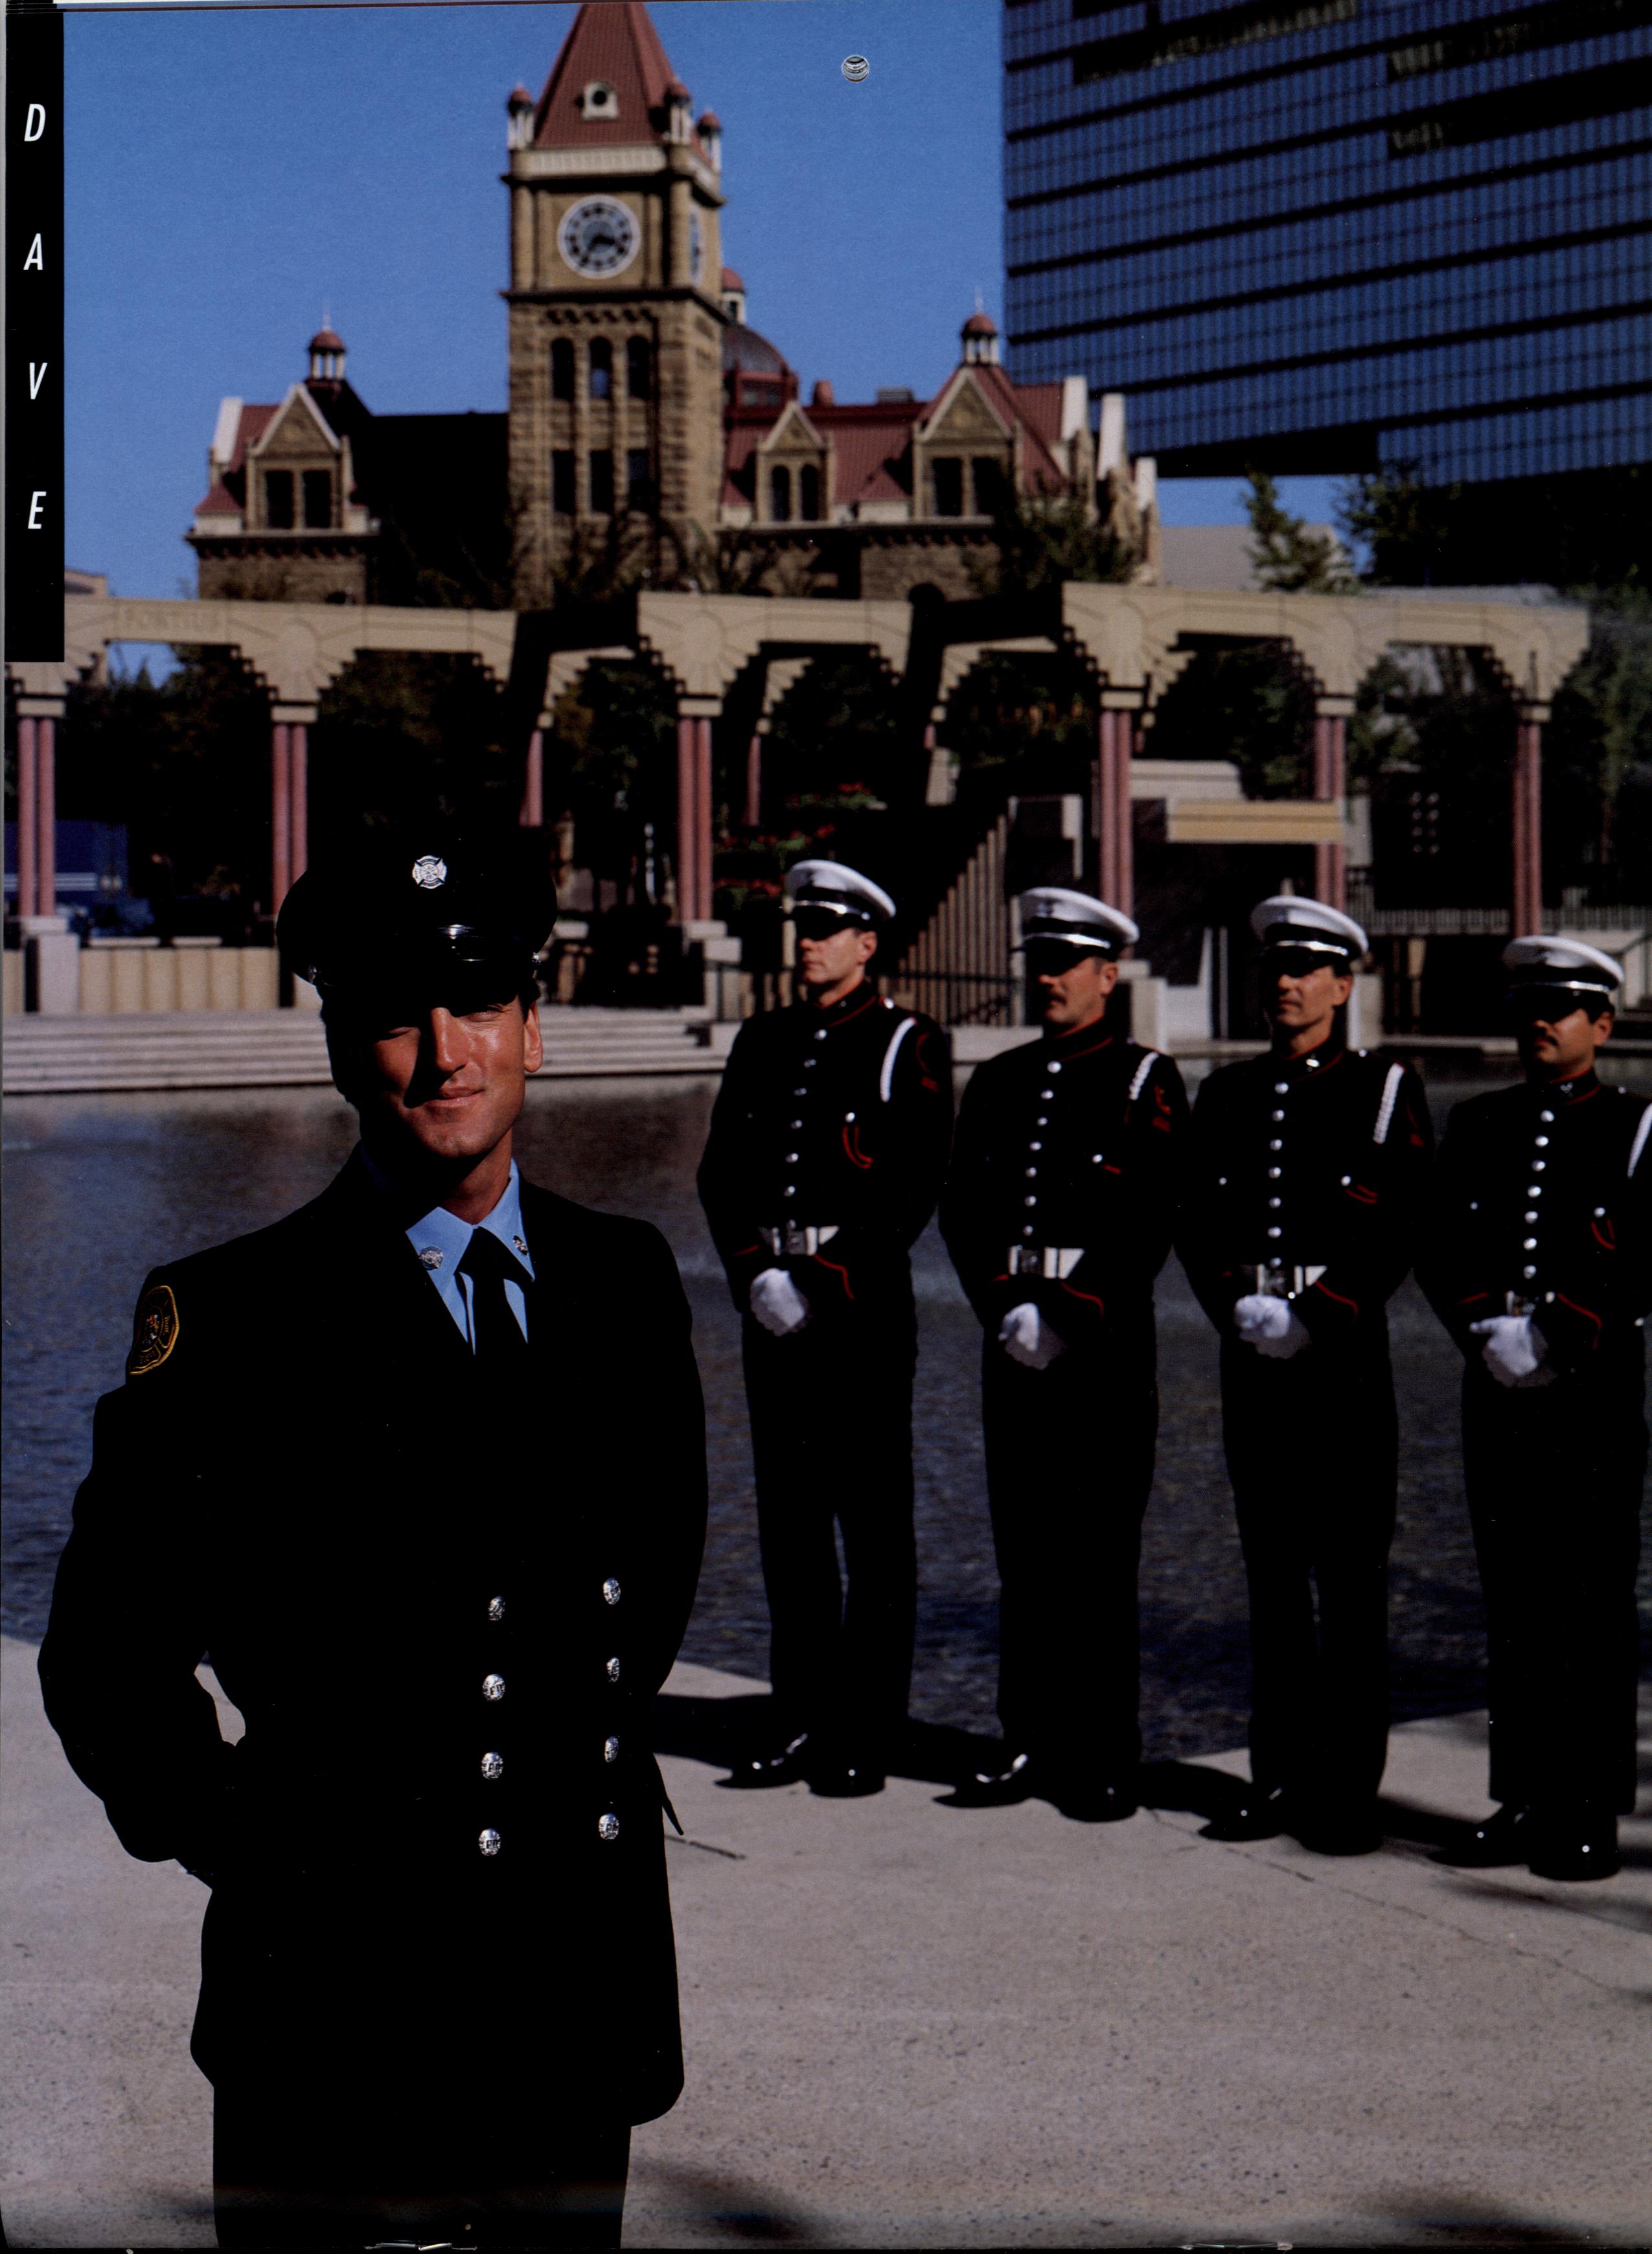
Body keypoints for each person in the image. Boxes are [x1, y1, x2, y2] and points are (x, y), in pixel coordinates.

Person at [38, 828, 707, 2249]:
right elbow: (107, 1657)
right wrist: (266, 1850)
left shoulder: (625, 1281)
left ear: (537, 1024)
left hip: (574, 1998)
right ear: (346, 1046)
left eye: (479, 1005)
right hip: (333, 2010)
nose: (445, 1053)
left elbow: (643, 1597)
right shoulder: (233, 1318)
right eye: (400, 1015)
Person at [1178, 896, 1432, 1856]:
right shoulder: (1228, 1095)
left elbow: (1400, 1224)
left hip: (1341, 1365)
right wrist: (1235, 1309)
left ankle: (1348, 1790)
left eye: (1304, 969)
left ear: (1342, 983)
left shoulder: (1380, 1088)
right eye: (1273, 969)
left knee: (1350, 1581)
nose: (1283, 984)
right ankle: (1275, 1776)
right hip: (1253, 1357)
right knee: (1272, 1580)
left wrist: (1317, 1313)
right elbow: (1195, 1225)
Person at [698, 858, 951, 1797]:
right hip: (771, 1310)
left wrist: (822, 1277)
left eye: (828, 927)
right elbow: (720, 1172)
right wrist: (752, 1273)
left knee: (873, 1527)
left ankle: (867, 1728)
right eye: (802, 926)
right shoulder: (762, 1040)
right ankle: (798, 1715)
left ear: (867, 942)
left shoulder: (905, 1043)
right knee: (790, 1525)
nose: (808, 941)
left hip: (859, 1318)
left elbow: (910, 1187)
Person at [939, 890, 1186, 1820]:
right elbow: (962, 1210)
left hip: (1102, 1354)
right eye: (1037, 960)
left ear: (1106, 975)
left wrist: (1072, 1310)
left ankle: (1102, 1752)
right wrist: (1003, 1307)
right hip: (1013, 1344)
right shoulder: (1000, 1079)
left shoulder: (1142, 1079)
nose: (1047, 976)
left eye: (1066, 962)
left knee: (1097, 1557)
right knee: (1025, 1553)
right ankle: (1025, 1740)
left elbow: (1152, 1212)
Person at [1417, 935, 1649, 1882]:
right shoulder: (1477, 1122)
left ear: (1601, 1022)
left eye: (1560, 1008)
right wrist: (1482, 1329)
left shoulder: (1638, 1126)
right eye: (1528, 1007)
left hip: (1588, 1384)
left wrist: (1557, 1328)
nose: (1539, 1023)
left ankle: (1587, 1804)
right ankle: (1520, 1793)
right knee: (1512, 1592)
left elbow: (1643, 1249)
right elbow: (1438, 1240)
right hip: (1496, 1379)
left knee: (1590, 1596)